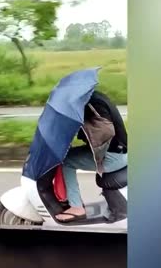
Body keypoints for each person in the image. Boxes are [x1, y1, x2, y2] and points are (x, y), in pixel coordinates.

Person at [55, 90, 128, 222]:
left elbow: (103, 130)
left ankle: (76, 207)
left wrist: (97, 157)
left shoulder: (90, 104)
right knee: (71, 154)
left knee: (67, 161)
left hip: (113, 157)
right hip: (121, 150)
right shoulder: (96, 97)